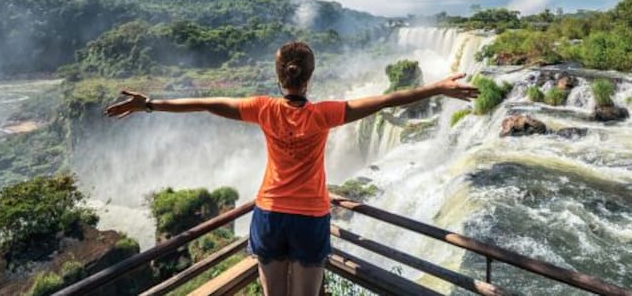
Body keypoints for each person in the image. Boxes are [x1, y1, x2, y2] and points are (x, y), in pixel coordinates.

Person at [104, 41, 479, 296]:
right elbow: (386, 100)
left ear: (279, 76)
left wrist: (149, 104)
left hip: (268, 214)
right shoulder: (325, 114)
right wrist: (436, 89)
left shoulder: (262, 108)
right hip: (310, 217)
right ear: (309, 77)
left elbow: (205, 104)